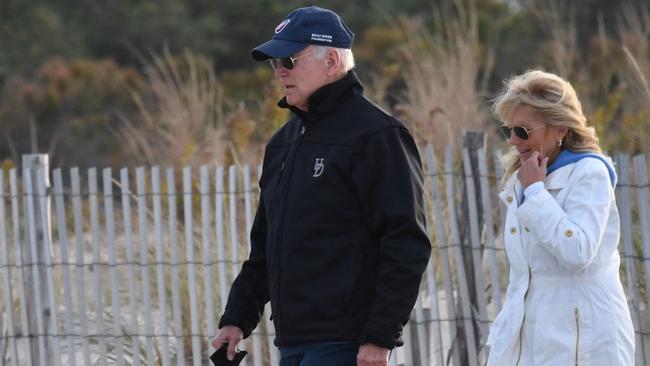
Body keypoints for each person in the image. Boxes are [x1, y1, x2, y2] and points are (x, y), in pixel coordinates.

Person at [211, 6, 431, 366]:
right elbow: (265, 249)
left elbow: (406, 242)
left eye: (289, 60)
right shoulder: (282, 143)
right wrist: (236, 319)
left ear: (331, 60)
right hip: (293, 342)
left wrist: (380, 337)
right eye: (274, 63)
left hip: (347, 343)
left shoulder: (377, 136)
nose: (280, 71)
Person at [486, 70, 635, 365]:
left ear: (560, 128)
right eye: (509, 130)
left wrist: (536, 193)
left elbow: (577, 250)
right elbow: (524, 278)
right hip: (533, 337)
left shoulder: (589, 173)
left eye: (523, 131)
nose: (513, 141)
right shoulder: (526, 176)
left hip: (585, 342)